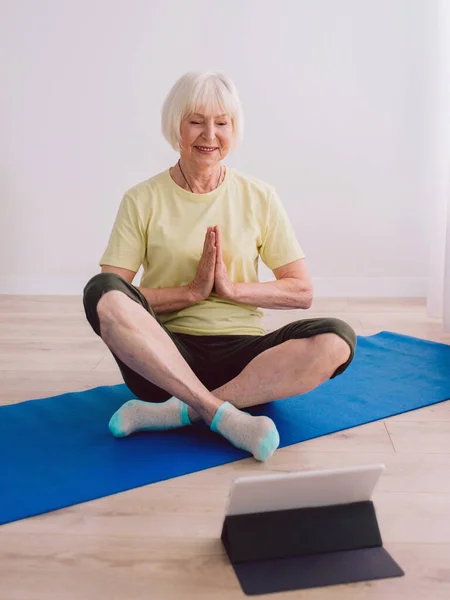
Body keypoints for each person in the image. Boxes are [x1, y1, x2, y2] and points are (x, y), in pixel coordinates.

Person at [83, 71, 356, 462]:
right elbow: (114, 295)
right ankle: (224, 417)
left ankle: (180, 411)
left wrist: (232, 290)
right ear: (175, 126)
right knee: (99, 290)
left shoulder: (260, 196)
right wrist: (190, 293)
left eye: (221, 123)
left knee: (336, 339)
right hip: (163, 358)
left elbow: (301, 291)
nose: (209, 134)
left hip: (245, 361)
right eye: (196, 121)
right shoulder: (141, 199)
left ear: (234, 129)